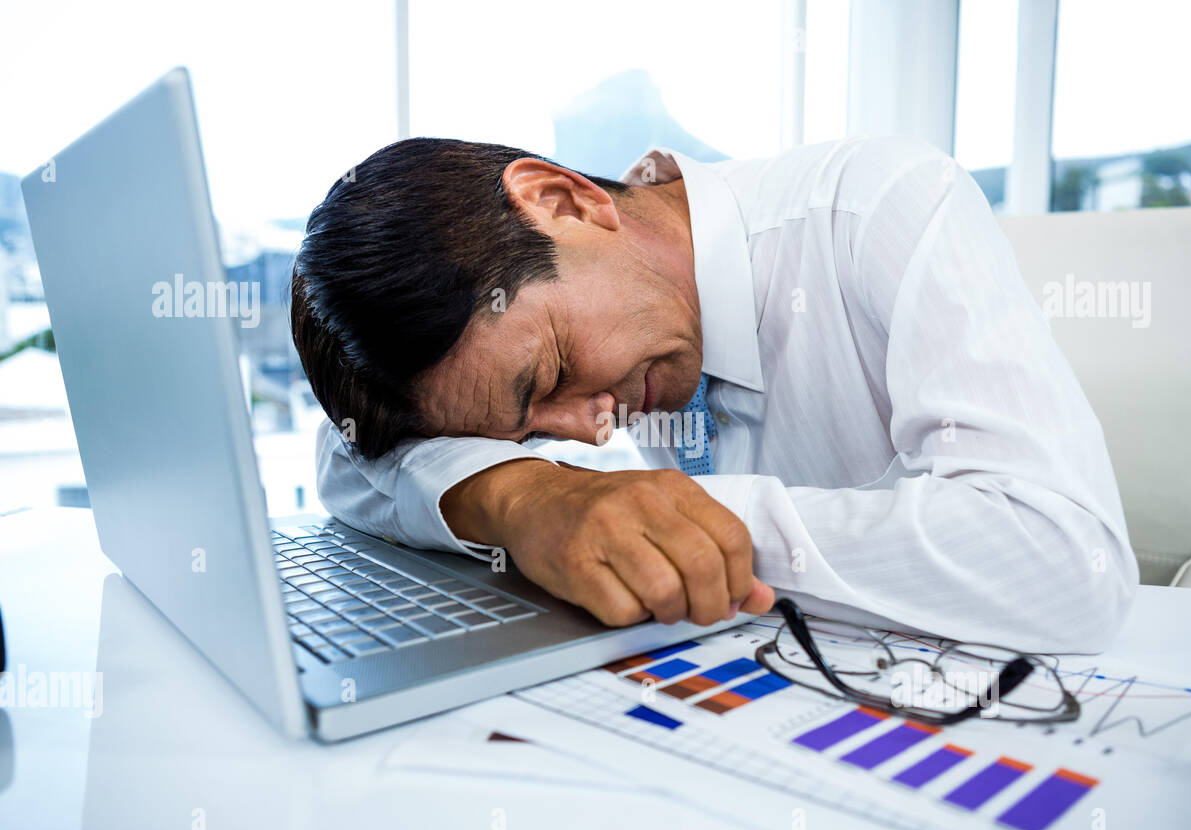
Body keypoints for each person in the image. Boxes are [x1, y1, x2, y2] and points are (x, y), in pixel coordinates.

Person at [290, 135, 1137, 651]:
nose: (587, 436)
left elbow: (1065, 563)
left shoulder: (881, 207)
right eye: (530, 431)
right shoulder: (584, 340)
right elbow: (341, 458)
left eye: (547, 376)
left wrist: (667, 526)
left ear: (563, 200)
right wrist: (520, 496)